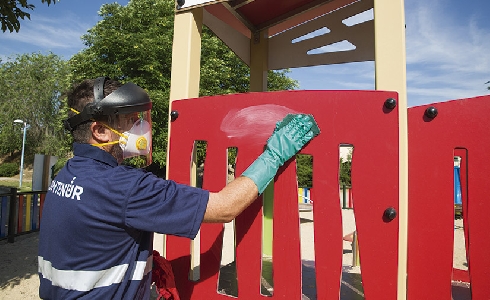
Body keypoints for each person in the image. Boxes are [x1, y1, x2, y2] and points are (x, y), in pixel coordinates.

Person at [38, 77, 320, 299]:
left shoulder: (68, 174)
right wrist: (274, 156)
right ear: (99, 131)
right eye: (128, 120)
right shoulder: (123, 187)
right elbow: (224, 208)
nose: (140, 127)